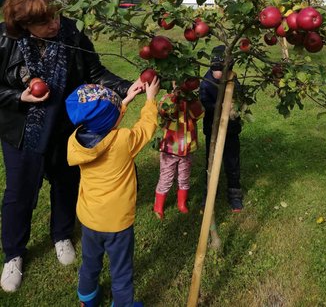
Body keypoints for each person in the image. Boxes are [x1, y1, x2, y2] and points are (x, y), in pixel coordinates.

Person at [0, 0, 141, 293]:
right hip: (22, 132)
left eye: (56, 15)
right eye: (45, 22)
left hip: (64, 128)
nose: (54, 24)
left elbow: (94, 72)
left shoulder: (71, 33)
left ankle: (61, 235)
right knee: (19, 193)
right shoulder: (5, 41)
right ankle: (13, 254)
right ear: (24, 25)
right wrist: (18, 96)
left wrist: (128, 87)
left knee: (66, 183)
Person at [66, 77, 160, 307]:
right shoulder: (123, 141)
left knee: (90, 262)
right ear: (112, 120)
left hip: (90, 218)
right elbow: (146, 128)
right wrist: (150, 100)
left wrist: (125, 100)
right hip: (117, 223)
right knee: (121, 270)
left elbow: (104, 125)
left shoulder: (76, 141)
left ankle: (87, 298)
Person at [200, 45, 244, 212]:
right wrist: (220, 107)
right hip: (213, 130)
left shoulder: (233, 81)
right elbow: (205, 101)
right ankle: (209, 193)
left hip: (231, 132)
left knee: (232, 162)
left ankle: (234, 194)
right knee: (210, 161)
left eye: (223, 69)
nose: (219, 73)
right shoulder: (206, 82)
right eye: (215, 69)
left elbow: (239, 99)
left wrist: (234, 108)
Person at [153, 85, 204, 219]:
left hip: (187, 148)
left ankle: (181, 203)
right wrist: (174, 97)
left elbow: (200, 113)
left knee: (184, 176)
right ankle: (158, 206)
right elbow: (164, 111)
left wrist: (191, 100)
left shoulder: (191, 100)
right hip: (170, 148)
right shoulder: (168, 99)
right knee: (166, 177)